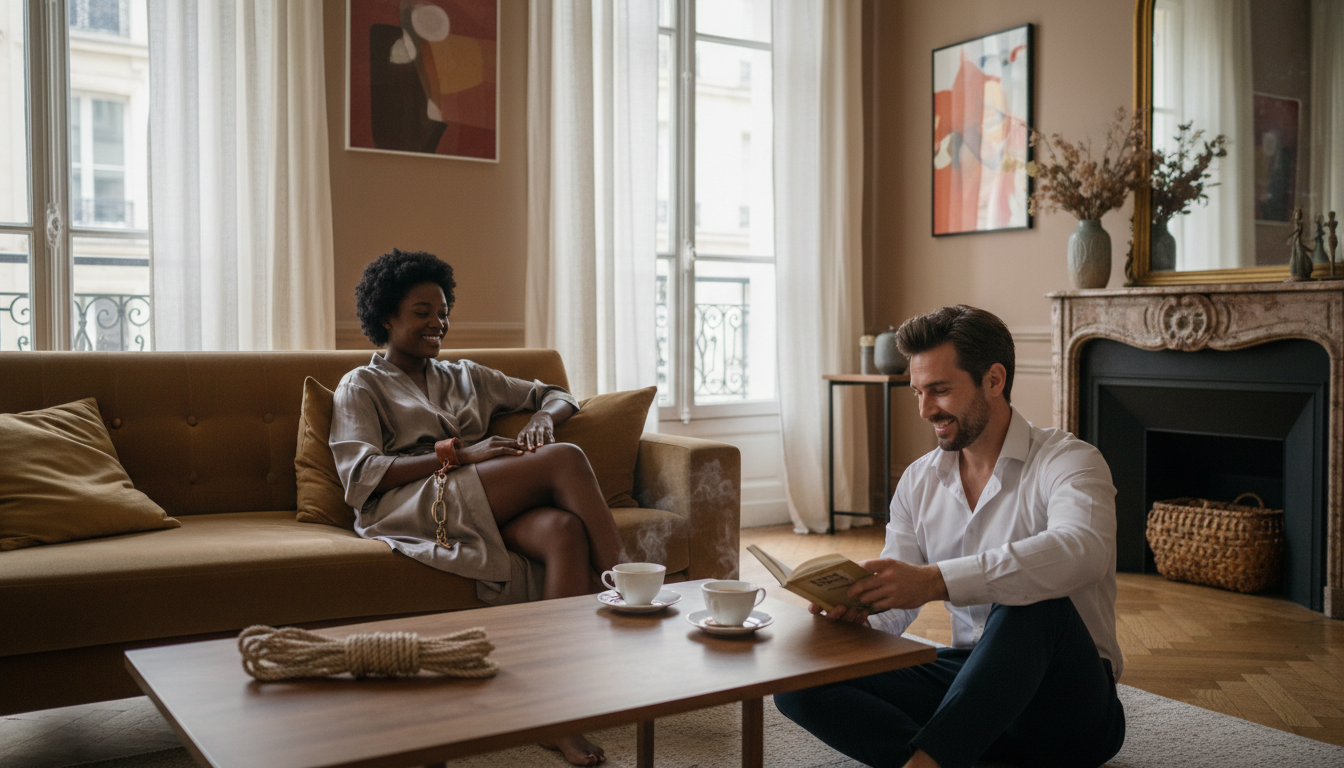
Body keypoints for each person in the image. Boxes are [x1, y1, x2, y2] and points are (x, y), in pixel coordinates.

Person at [775, 305, 1125, 768]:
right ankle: (946, 754)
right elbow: (895, 607)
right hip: (972, 685)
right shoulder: (919, 481)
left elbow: (1083, 551)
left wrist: (936, 580)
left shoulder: (1070, 461)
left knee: (1034, 603)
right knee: (800, 680)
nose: (924, 410)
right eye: (919, 392)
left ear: (994, 381)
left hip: (1066, 706)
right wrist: (859, 617)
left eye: (939, 390)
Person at [331, 248, 627, 766]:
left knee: (563, 532)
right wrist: (458, 453)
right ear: (386, 317)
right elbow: (361, 476)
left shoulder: (464, 375)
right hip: (412, 501)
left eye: (442, 311)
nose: (437, 322)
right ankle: (630, 585)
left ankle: (554, 711)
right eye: (422, 312)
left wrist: (545, 420)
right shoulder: (362, 385)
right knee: (565, 462)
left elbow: (555, 393)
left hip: (475, 491)